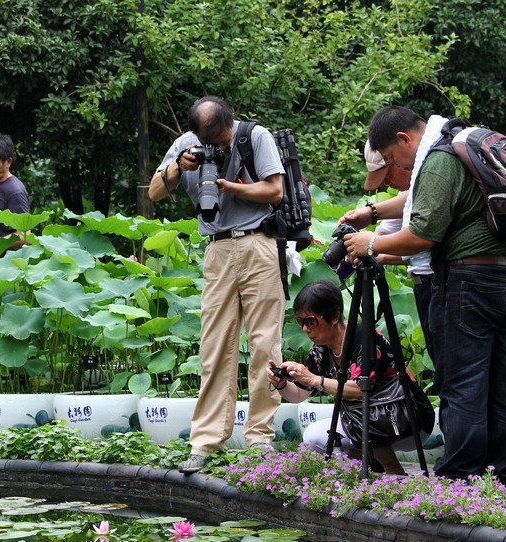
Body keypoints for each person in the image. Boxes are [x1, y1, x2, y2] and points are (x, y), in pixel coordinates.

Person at [344, 106, 506, 485]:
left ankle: (459, 481)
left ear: (404, 140)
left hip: (470, 281)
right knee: (501, 383)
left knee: (462, 386)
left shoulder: (439, 158)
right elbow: (421, 201)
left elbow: (422, 236)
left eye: (394, 160)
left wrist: (371, 243)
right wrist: (373, 213)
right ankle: (497, 478)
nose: (399, 171)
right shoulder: (462, 141)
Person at [148, 96, 286, 474]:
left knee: (264, 345)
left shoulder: (254, 135)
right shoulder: (184, 147)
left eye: (221, 138)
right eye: (209, 140)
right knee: (214, 348)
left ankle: (260, 439)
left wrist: (230, 187)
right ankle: (206, 442)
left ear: (230, 122)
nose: (218, 146)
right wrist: (178, 166)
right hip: (218, 250)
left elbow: (275, 191)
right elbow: (154, 193)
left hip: (259, 243)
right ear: (196, 133)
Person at [266, 280, 421, 475]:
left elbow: (359, 390)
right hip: (364, 420)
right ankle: (364, 474)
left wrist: (314, 380)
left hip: (405, 416)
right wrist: (281, 384)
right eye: (300, 322)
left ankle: (393, 471)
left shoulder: (365, 338)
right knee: (314, 437)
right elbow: (298, 395)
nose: (305, 329)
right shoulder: (320, 350)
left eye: (311, 321)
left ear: (335, 316)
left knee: (359, 409)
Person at [338, 141, 436, 365]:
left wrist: (370, 243)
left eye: (387, 174)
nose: (386, 183)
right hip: (424, 285)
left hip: (439, 283)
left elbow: (419, 241)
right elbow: (383, 244)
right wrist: (363, 239)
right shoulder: (409, 196)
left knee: (453, 375)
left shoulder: (433, 181)